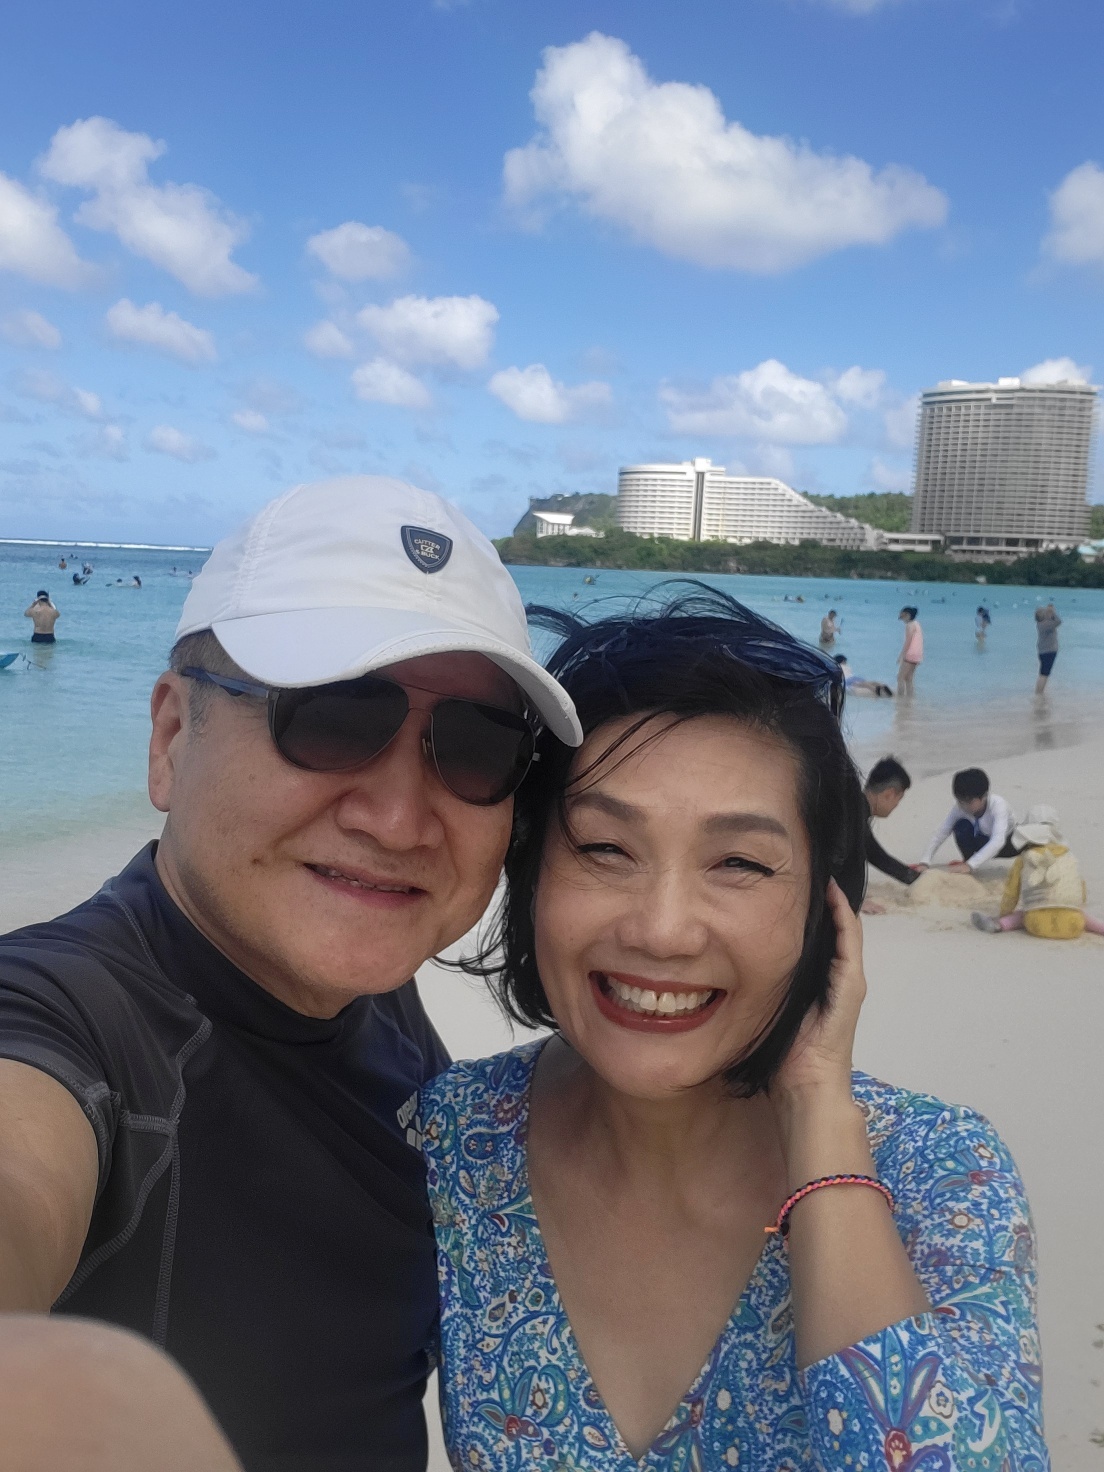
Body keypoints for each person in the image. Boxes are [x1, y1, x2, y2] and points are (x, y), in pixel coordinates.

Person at [0, 475, 582, 1472]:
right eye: (332, 717)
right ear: (171, 737)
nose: (398, 819)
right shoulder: (69, 1017)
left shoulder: (374, 992)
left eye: (476, 748)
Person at [424, 588, 1046, 1471]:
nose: (663, 930)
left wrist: (821, 1123)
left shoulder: (944, 1176)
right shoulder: (453, 1141)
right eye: (604, 848)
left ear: (825, 909)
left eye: (741, 863)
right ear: (529, 875)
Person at [972, 805, 1104, 940]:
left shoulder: (1024, 859)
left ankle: (1000, 924)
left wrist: (1004, 913)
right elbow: (1081, 890)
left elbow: (1011, 894)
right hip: (1073, 925)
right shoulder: (1069, 857)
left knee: (1022, 915)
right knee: (1080, 915)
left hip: (1036, 923)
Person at [916, 767, 1017, 872]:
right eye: (960, 801)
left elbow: (998, 840)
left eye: (969, 801)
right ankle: (967, 860)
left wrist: (971, 865)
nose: (964, 806)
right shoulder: (960, 807)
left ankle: (969, 865)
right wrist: (924, 861)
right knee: (961, 826)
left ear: (984, 796)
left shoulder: (998, 805)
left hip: (1008, 845)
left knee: (1022, 845)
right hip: (982, 841)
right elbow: (941, 832)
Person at [860, 757, 919, 914]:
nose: (896, 806)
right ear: (889, 794)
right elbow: (826, 859)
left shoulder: (855, 808)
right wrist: (853, 900)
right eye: (898, 800)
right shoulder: (852, 814)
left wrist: (916, 878)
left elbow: (874, 854)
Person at [1034, 602, 1061, 695]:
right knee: (1044, 674)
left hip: (1043, 651)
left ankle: (1039, 692)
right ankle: (1039, 693)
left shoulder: (1040, 624)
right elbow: (1058, 622)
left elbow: (1054, 621)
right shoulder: (1046, 624)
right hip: (1049, 651)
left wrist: (1050, 613)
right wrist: (1053, 613)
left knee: (1043, 673)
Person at [896, 605, 922, 695]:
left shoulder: (910, 625)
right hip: (918, 655)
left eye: (902, 616)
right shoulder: (916, 624)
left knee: (900, 677)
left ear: (907, 615)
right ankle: (910, 698)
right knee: (909, 678)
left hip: (910, 654)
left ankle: (900, 697)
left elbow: (908, 641)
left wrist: (901, 655)